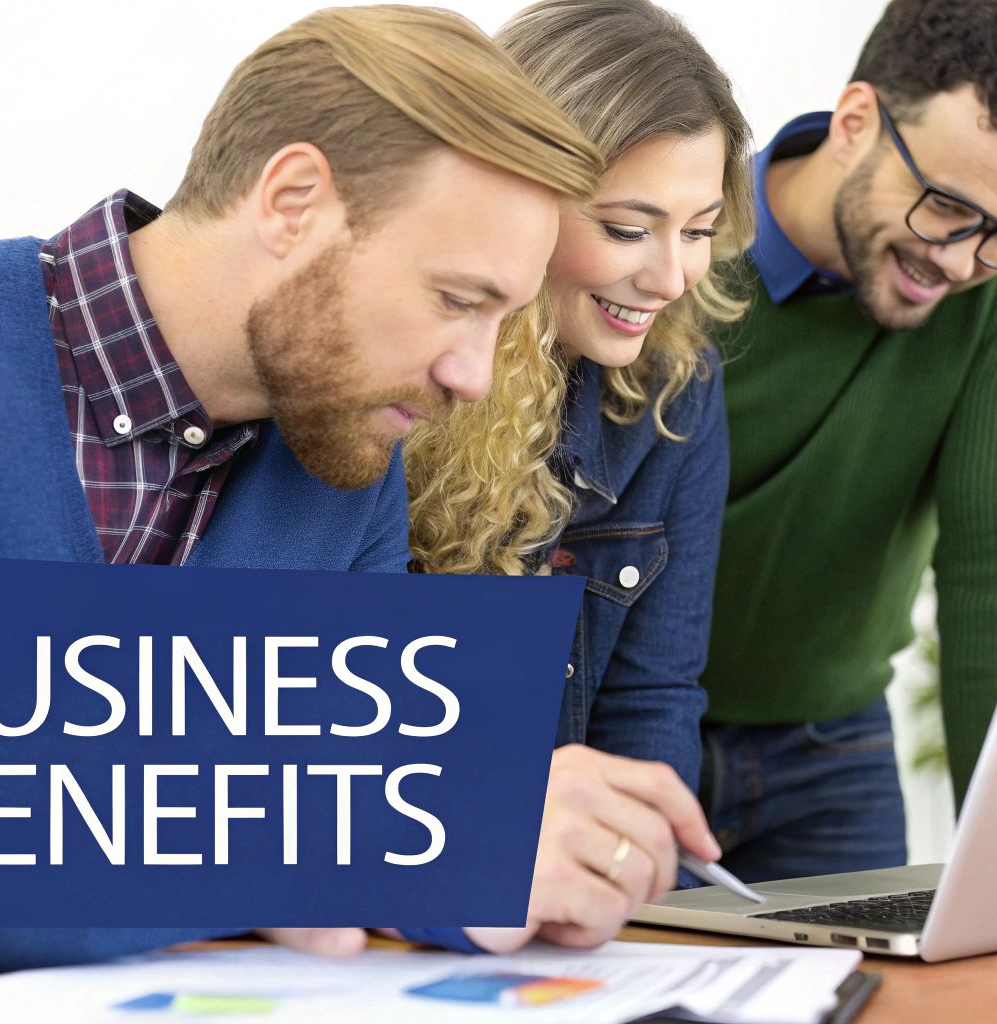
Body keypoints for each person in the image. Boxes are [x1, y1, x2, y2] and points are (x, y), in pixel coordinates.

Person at [0, 5, 718, 978]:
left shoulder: (346, 460)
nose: (472, 376)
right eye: (456, 300)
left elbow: (387, 828)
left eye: (501, 321)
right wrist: (375, 833)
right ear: (291, 203)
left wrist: (506, 855)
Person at [697, 0, 997, 882]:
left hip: (831, 747)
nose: (962, 264)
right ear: (855, 124)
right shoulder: (681, 237)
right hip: (624, 733)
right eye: (948, 208)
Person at [404, 0, 752, 900]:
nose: (671, 277)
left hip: (572, 906)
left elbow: (654, 699)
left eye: (701, 228)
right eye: (629, 230)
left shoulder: (679, 390)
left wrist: (633, 896)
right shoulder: (398, 374)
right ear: (519, 197)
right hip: (410, 880)